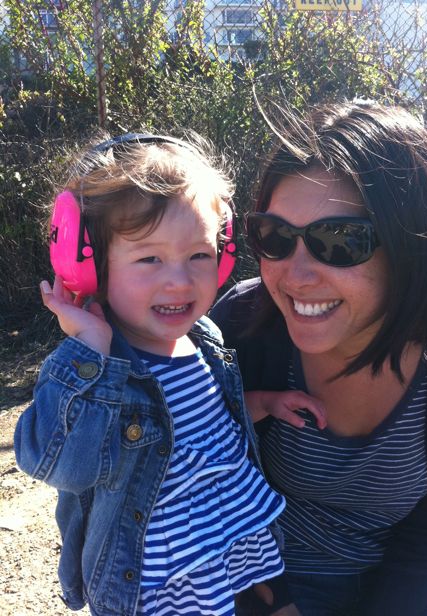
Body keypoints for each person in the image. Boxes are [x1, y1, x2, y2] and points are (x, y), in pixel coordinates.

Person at [13, 133, 317, 616]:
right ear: (88, 266)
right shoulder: (97, 368)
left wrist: (264, 403)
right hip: (158, 576)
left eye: (199, 255)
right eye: (149, 258)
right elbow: (59, 466)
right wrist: (91, 348)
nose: (179, 279)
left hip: (225, 540)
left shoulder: (205, 338)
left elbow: (210, 422)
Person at [211, 100, 427, 616]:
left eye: (340, 241)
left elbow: (425, 547)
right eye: (275, 236)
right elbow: (194, 490)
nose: (295, 275)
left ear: (414, 246)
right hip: (247, 579)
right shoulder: (241, 330)